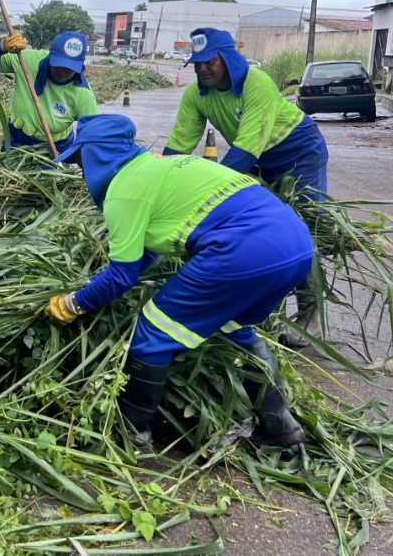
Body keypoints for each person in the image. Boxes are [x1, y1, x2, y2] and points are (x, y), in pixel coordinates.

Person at [43, 113, 312, 449]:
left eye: (81, 160)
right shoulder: (161, 166)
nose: (81, 172)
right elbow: (150, 251)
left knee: (153, 331)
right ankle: (281, 428)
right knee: (233, 328)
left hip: (243, 248)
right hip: (295, 244)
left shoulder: (124, 190)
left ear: (97, 154)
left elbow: (121, 275)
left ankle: (132, 435)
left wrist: (73, 303)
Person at [164, 27, 329, 347]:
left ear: (229, 58)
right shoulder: (197, 95)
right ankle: (262, 305)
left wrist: (208, 196)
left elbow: (244, 153)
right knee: (254, 229)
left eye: (209, 61)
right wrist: (160, 180)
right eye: (196, 64)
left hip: (298, 151)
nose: (202, 69)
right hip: (256, 156)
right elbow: (178, 146)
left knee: (301, 228)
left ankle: (311, 316)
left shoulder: (257, 85)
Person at [0, 30, 98, 156]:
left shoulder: (83, 95)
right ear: (50, 56)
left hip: (55, 146)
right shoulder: (27, 61)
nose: (62, 71)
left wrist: (82, 156)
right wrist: (1, 45)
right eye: (58, 65)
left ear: (81, 65)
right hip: (17, 138)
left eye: (69, 68)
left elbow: (93, 136)